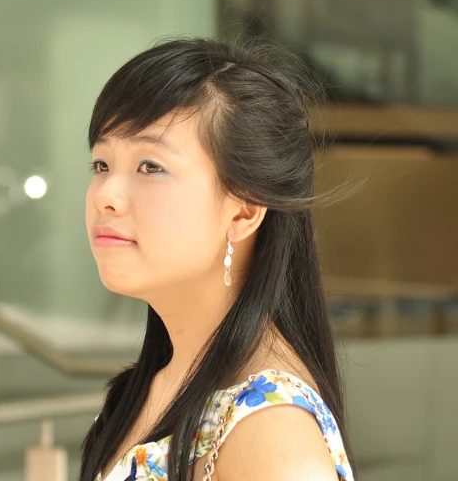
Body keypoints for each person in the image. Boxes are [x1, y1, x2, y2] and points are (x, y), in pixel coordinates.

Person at [78, 37, 355, 481]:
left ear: (245, 209)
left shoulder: (268, 426)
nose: (106, 196)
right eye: (101, 165)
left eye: (150, 166)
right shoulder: (154, 387)